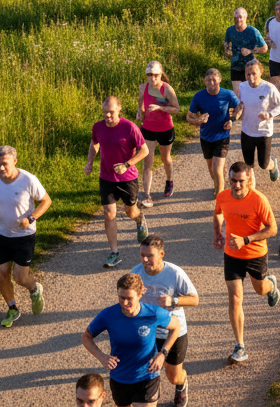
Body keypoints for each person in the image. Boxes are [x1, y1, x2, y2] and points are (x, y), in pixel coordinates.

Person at [214, 162, 280, 363]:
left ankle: (271, 285)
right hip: (232, 254)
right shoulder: (223, 197)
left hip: (255, 253)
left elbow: (273, 229)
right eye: (233, 181)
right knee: (235, 298)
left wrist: (246, 239)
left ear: (249, 179)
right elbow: (218, 212)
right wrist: (217, 232)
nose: (237, 185)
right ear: (229, 179)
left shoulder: (259, 200)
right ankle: (240, 345)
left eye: (241, 181)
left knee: (260, 289)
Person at [82, 272, 181, 407]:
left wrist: (162, 353)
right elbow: (86, 337)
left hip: (147, 376)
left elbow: (176, 327)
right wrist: (101, 357)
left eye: (129, 298)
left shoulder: (153, 313)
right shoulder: (108, 315)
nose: (125, 303)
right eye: (121, 297)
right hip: (120, 378)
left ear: (140, 294)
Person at [0, 145, 50, 329]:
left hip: (24, 235)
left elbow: (46, 201)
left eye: (4, 164)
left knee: (19, 277)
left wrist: (31, 218)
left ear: (14, 161)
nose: (1, 168)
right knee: (2, 275)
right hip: (0, 233)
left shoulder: (28, 179)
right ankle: (12, 308)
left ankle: (34, 289)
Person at [131, 236, 198, 407]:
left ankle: (181, 383)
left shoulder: (175, 273)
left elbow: (194, 299)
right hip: (146, 331)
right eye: (142, 255)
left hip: (173, 332)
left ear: (162, 254)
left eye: (150, 255)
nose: (145, 260)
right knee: (146, 370)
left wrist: (173, 301)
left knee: (173, 376)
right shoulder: (135, 273)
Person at [85, 97, 149, 269]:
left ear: (119, 109)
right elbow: (94, 143)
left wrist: (127, 164)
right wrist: (89, 162)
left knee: (130, 211)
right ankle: (114, 252)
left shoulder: (129, 127)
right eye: (105, 112)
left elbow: (145, 150)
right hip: (106, 178)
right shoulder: (98, 127)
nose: (107, 115)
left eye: (111, 112)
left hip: (128, 178)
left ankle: (140, 219)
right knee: (109, 213)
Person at [186, 70, 241, 199]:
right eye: (208, 80)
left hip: (222, 136)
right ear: (205, 81)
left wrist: (232, 120)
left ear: (220, 79)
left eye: (214, 79)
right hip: (205, 137)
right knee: (212, 171)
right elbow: (189, 117)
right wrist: (198, 121)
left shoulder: (228, 94)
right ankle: (219, 185)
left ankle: (220, 198)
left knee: (217, 169)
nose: (211, 82)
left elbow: (240, 107)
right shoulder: (199, 97)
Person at [135, 62, 180, 207]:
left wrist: (160, 107)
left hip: (165, 128)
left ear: (160, 75)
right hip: (148, 128)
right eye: (149, 75)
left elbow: (177, 109)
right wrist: (139, 112)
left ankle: (169, 180)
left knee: (165, 158)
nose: (152, 78)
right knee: (147, 161)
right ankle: (147, 195)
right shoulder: (143, 87)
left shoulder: (166, 89)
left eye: (155, 75)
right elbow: (141, 102)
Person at [238, 60, 280, 189]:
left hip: (264, 132)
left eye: (254, 73)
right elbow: (240, 104)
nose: (251, 77)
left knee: (263, 164)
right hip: (247, 130)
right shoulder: (242, 87)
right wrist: (238, 110)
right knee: (248, 164)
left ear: (260, 72)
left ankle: (273, 165)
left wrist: (269, 115)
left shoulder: (269, 88)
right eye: (248, 74)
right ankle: (252, 192)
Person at [223, 9, 267, 97]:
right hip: (235, 66)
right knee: (238, 95)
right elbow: (226, 42)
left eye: (240, 17)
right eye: (236, 17)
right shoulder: (230, 30)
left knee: (252, 94)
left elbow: (264, 48)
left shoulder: (253, 31)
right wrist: (227, 50)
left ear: (245, 18)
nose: (238, 20)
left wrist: (251, 51)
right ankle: (242, 110)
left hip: (251, 67)